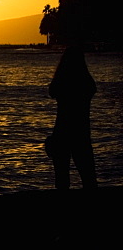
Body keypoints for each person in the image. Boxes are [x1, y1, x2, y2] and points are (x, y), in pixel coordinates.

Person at [47, 45, 98, 190]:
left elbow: (53, 91)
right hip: (81, 132)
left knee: (62, 178)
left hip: (62, 131)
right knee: (88, 176)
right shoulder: (86, 83)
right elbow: (91, 90)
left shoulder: (61, 82)